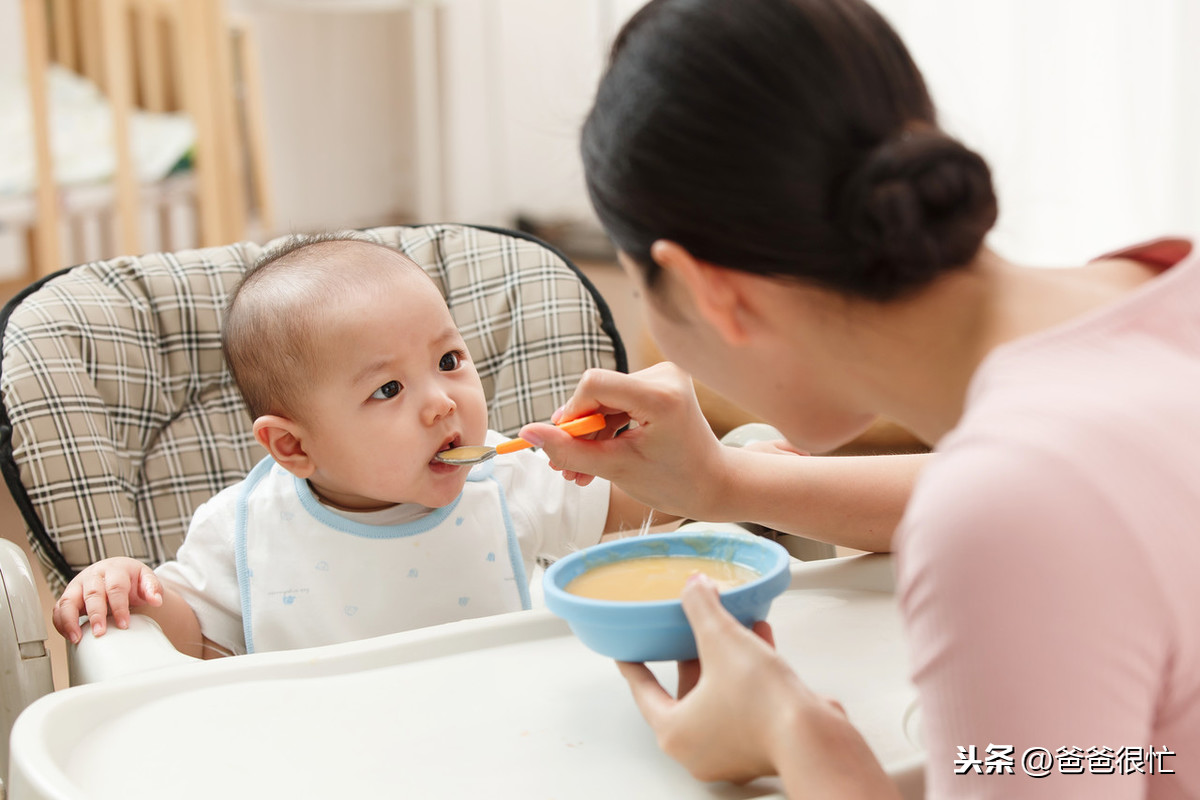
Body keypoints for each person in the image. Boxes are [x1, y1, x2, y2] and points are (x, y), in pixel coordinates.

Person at [518, 0, 1200, 797]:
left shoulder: (1008, 507)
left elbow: (1023, 507)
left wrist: (793, 736)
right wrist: (722, 484)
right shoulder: (1157, 289)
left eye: (644, 293)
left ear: (709, 289)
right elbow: (1088, 495)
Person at [52, 235, 672, 658]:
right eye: (389, 388)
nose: (442, 401)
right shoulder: (241, 530)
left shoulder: (503, 481)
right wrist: (132, 589)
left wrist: (722, 464)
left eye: (449, 359)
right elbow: (192, 643)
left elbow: (644, 501)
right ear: (293, 447)